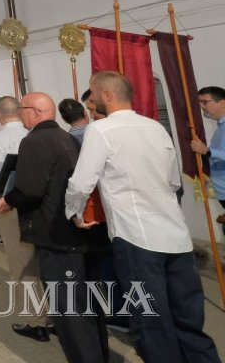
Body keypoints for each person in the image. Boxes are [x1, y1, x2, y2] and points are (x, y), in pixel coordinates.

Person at [66, 71, 220, 362]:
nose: (90, 99)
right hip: (176, 236)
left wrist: (73, 211)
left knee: (151, 323)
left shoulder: (100, 130)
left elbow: (81, 182)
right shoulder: (155, 127)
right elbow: (173, 182)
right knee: (188, 320)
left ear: (107, 96)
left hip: (136, 238)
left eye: (92, 93)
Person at [0, 93, 106, 358]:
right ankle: (99, 354)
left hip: (55, 234)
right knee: (88, 305)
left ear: (34, 111)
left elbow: (30, 189)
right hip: (77, 233)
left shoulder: (34, 141)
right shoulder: (66, 137)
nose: (20, 114)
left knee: (69, 311)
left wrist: (8, 199)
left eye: (23, 109)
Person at [0, 96, 39, 324]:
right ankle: (55, 316)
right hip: (38, 206)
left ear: (0, 116)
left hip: (9, 205)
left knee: (21, 261)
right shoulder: (32, 135)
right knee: (41, 260)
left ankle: (36, 320)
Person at [189, 85, 225, 222]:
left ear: (222, 102)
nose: (202, 106)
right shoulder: (220, 127)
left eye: (205, 102)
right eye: (200, 102)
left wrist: (207, 151)